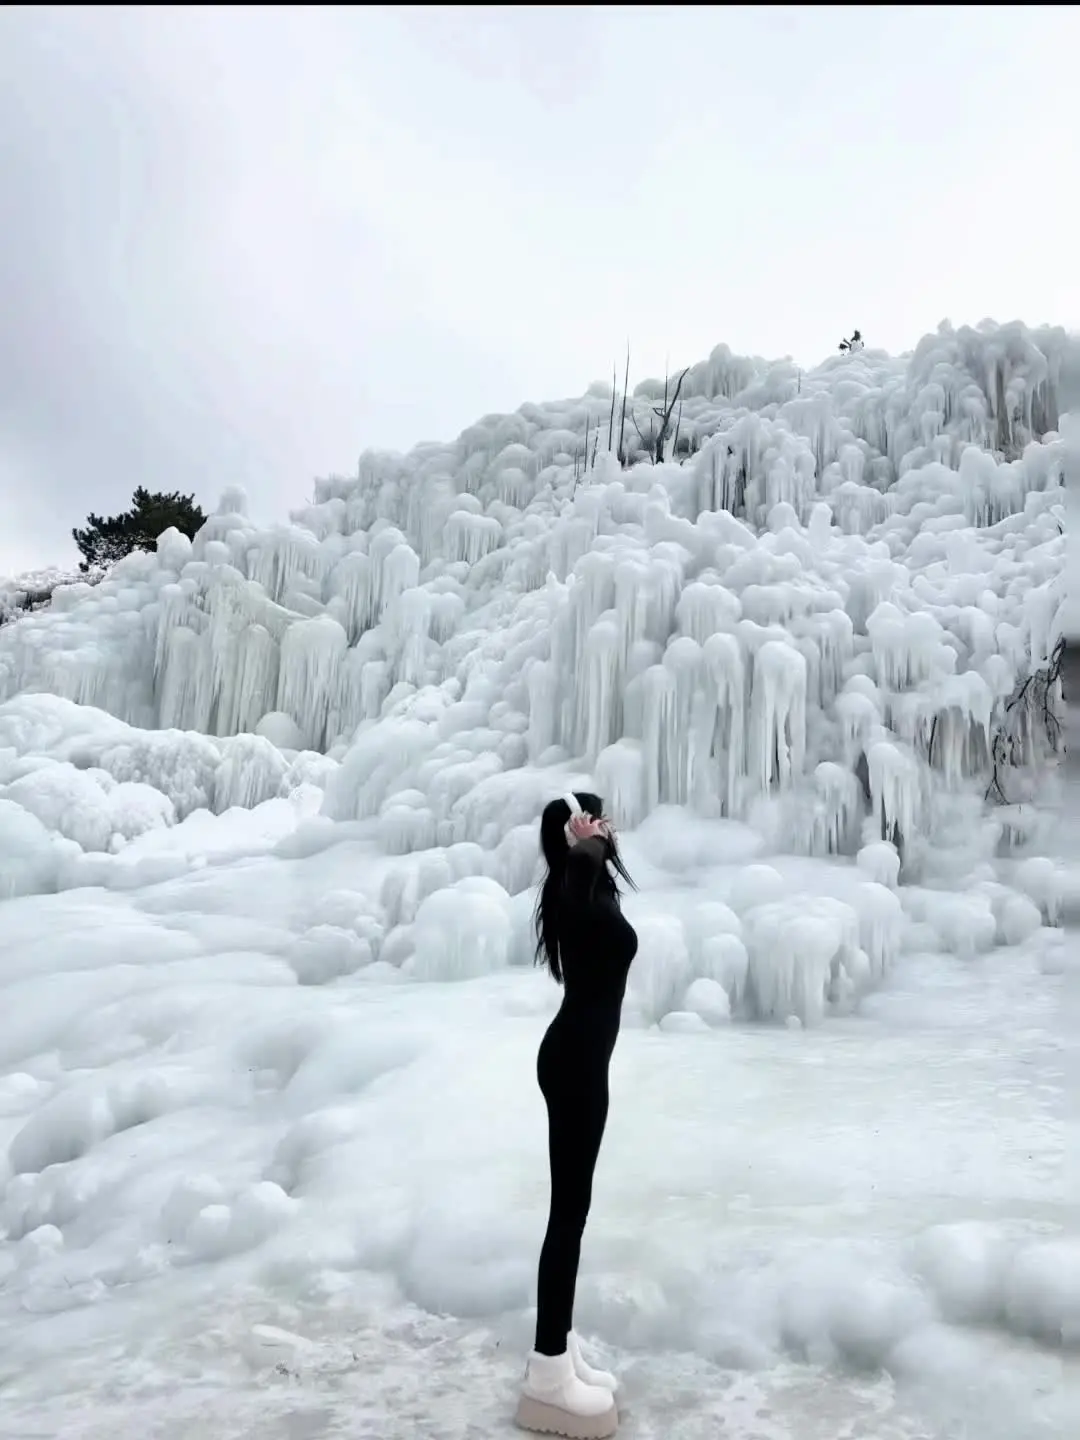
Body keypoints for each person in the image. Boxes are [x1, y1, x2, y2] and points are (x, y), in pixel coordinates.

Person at [515, 792, 638, 1440]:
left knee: (574, 1213)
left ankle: (558, 1346)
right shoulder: (572, 884)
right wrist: (582, 840)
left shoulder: (590, 890)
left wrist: (595, 842)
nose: (606, 828)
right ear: (571, 831)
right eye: (594, 819)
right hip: (573, 1064)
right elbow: (583, 863)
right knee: (567, 1215)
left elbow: (598, 866)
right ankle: (547, 1373)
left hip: (581, 1060)